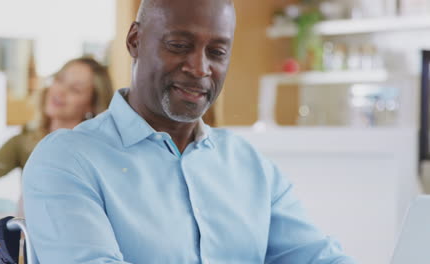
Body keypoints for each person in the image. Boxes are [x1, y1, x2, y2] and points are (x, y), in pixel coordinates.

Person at [23, 1, 356, 263]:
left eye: (217, 52)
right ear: (135, 40)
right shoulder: (67, 160)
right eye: (179, 45)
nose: (199, 68)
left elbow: (317, 257)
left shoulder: (250, 165)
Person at [0, 57, 114, 189]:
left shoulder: (98, 153)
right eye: (59, 80)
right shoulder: (24, 142)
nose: (60, 91)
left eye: (75, 89)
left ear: (92, 105)